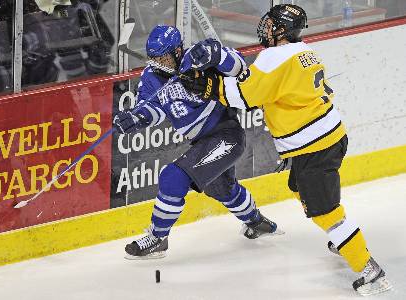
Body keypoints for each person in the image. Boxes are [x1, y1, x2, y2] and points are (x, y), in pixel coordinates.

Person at [184, 4, 392, 296]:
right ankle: (343, 237)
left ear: (280, 29)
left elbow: (244, 96)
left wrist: (208, 86)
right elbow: (282, 92)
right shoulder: (305, 52)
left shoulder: (273, 57)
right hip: (331, 136)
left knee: (325, 212)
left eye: (270, 24)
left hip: (315, 147)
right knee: (299, 185)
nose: (264, 28)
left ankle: (370, 269)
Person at [112, 25, 281, 260]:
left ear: (178, 50)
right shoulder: (151, 77)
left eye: (165, 57)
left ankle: (157, 238)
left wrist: (219, 54)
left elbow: (241, 68)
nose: (161, 63)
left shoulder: (198, 57)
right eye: (155, 58)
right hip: (203, 141)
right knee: (221, 188)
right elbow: (152, 109)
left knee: (173, 177)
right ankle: (256, 222)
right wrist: (136, 118)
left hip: (227, 135)